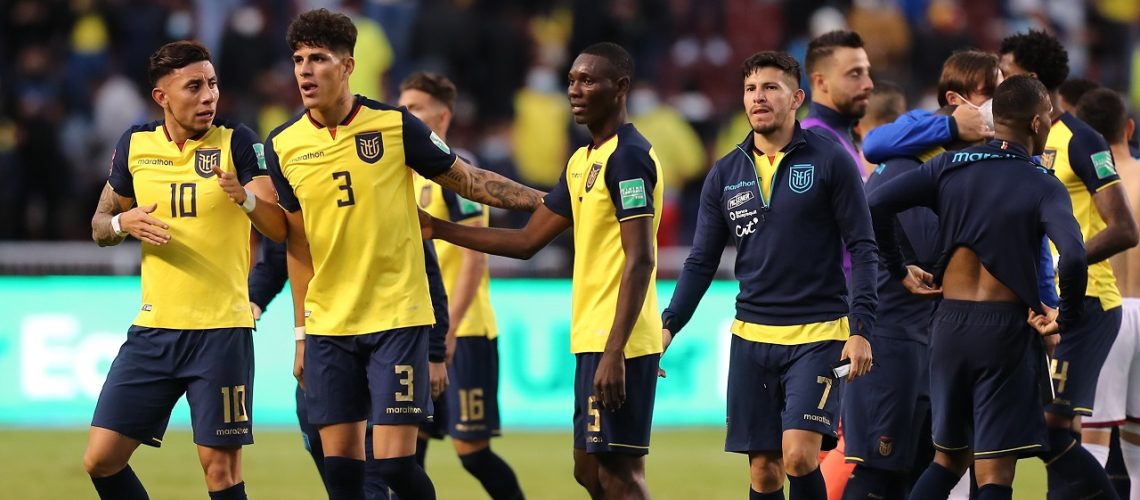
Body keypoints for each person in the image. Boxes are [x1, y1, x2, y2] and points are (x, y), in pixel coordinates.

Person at [265, 9, 543, 500]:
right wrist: (301, 333)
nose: (305, 71)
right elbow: (298, 244)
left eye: (319, 59)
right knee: (343, 476)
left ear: (348, 66)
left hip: (397, 317)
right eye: (298, 60)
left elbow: (471, 180)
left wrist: (546, 201)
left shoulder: (394, 126)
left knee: (395, 467)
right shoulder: (282, 145)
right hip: (330, 325)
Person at [422, 42, 662, 499]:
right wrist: (439, 228)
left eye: (588, 80)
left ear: (621, 88)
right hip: (591, 335)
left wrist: (617, 351)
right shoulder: (582, 161)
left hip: (617, 340)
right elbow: (526, 241)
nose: (574, 90)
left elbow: (642, 257)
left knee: (620, 474)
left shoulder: (629, 157)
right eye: (571, 80)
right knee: (589, 471)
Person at [661, 50, 877, 500]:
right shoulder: (725, 173)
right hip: (752, 338)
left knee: (799, 455)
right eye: (751, 89)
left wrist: (861, 329)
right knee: (763, 472)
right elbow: (701, 261)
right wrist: (667, 326)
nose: (759, 97)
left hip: (819, 335)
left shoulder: (831, 160)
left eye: (771, 87)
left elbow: (862, 246)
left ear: (797, 97)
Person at [869, 74, 1088, 500]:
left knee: (947, 461)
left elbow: (876, 203)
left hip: (948, 327)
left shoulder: (947, 166)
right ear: (1038, 123)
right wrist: (1067, 315)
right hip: (1005, 332)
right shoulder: (1042, 182)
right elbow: (1075, 256)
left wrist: (898, 269)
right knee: (994, 473)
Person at [82, 40, 285, 500]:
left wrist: (246, 199)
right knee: (101, 460)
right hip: (154, 331)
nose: (209, 95)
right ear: (162, 97)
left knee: (220, 472)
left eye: (212, 84)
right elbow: (98, 226)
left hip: (220, 333)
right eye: (194, 86)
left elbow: (278, 228)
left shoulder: (239, 142)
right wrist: (122, 221)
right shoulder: (136, 143)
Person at [842, 50, 1004, 500]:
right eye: (989, 93)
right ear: (955, 100)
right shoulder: (907, 165)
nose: (998, 103)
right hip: (893, 340)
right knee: (880, 475)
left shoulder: (972, 164)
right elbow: (938, 256)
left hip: (938, 342)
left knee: (930, 469)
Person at [1001, 30, 1138, 499]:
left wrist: (1066, 264)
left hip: (1087, 301)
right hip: (1038, 304)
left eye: (1007, 71)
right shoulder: (1012, 142)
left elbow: (1124, 227)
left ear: (1033, 79)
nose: (999, 79)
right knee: (1036, 429)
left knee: (1052, 425)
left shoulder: (1082, 139)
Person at [247, 237, 453, 500]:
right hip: (326, 340)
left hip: (383, 340)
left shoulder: (385, 197)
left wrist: (435, 351)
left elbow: (427, 268)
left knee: (383, 469)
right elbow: (280, 257)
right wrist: (252, 300)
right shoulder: (301, 199)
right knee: (333, 462)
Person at [400, 71, 524, 500]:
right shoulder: (404, 175)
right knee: (406, 450)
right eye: (403, 107)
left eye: (415, 108)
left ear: (443, 116)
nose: (406, 115)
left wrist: (448, 330)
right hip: (417, 330)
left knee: (471, 452)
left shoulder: (456, 171)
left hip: (463, 332)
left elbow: (474, 259)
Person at [1077, 87, 1140, 500]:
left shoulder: (1087, 188)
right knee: (1138, 447)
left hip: (1110, 312)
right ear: (1129, 128)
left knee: (1091, 440)